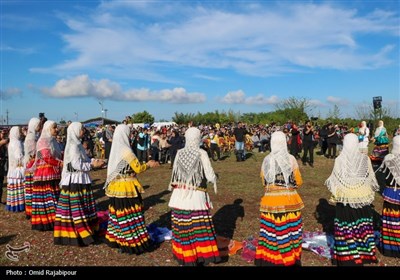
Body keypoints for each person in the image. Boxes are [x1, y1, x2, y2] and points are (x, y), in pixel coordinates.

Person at [167, 127, 220, 266]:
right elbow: (209, 176)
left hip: (179, 196)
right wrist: (215, 178)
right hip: (196, 196)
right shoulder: (201, 153)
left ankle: (186, 256)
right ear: (198, 138)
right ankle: (201, 255)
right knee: (198, 228)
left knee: (183, 228)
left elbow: (175, 173)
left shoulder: (179, 153)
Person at [325, 133, 379, 266]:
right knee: (362, 226)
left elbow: (334, 181)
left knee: (346, 227)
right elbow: (370, 178)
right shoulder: (364, 159)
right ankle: (364, 253)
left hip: (345, 197)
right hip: (362, 196)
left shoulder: (339, 160)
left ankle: (348, 256)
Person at [104, 124, 159, 254]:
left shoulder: (115, 149)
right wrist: (149, 164)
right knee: (131, 214)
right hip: (127, 187)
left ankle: (119, 241)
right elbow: (138, 168)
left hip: (116, 187)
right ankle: (132, 243)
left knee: (118, 215)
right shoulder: (126, 151)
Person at [254, 131, 304, 266]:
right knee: (289, 231)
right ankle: (289, 257)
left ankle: (271, 258)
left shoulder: (267, 160)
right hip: (289, 200)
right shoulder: (291, 159)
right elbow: (298, 181)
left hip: (270, 201)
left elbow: (264, 181)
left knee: (271, 232)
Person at [54, 122, 104, 246]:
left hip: (79, 179)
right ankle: (79, 234)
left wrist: (94, 161)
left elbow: (84, 159)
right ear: (76, 130)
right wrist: (92, 165)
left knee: (80, 208)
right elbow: (75, 165)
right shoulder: (73, 145)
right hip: (75, 181)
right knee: (77, 209)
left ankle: (83, 232)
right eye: (81, 129)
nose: (83, 131)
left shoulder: (77, 144)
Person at [31, 120, 63, 231]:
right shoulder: (43, 141)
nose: (57, 129)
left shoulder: (53, 141)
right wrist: (60, 163)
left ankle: (55, 220)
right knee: (48, 199)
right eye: (54, 127)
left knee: (53, 198)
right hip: (45, 174)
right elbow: (46, 157)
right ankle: (47, 222)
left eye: (56, 127)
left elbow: (57, 154)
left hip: (53, 173)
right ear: (48, 129)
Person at [377, 135, 400, 257]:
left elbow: (382, 175)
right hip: (395, 192)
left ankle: (389, 247)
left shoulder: (388, 158)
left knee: (390, 221)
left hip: (391, 192)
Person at [23, 117, 41, 219]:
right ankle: (31, 211)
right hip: (31, 166)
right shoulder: (31, 137)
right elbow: (34, 153)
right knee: (32, 189)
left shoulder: (32, 135)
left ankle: (30, 210)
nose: (39, 127)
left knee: (30, 189)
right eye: (38, 125)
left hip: (30, 165)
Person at [5, 126, 25, 212]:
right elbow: (19, 157)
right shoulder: (17, 143)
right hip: (18, 169)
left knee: (13, 191)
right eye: (19, 132)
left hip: (12, 169)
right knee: (19, 188)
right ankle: (20, 206)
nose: (20, 133)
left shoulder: (11, 143)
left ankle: (13, 205)